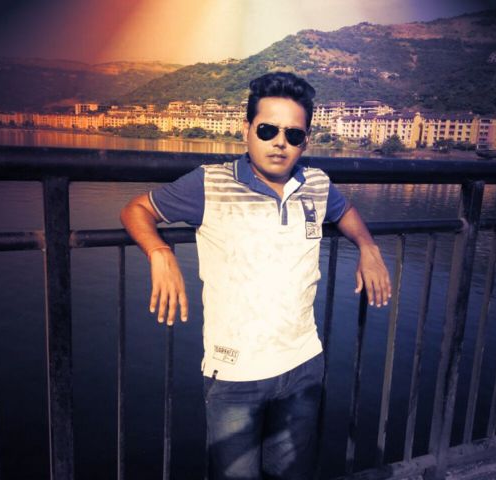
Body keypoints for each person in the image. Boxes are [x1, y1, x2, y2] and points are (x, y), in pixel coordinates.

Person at [120, 72, 391, 479]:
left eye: (293, 135)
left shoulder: (316, 184)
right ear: (246, 129)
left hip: (303, 365)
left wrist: (367, 247)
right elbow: (136, 209)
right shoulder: (210, 183)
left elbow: (345, 211)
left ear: (305, 142)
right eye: (267, 130)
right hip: (235, 376)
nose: (280, 142)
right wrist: (159, 252)